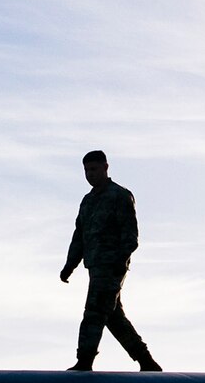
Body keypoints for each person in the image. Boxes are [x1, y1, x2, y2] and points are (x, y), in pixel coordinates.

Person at [59, 150, 160, 371]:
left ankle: (84, 360)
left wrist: (119, 262)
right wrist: (69, 265)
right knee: (113, 317)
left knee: (94, 310)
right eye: (86, 170)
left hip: (111, 267)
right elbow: (79, 236)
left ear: (106, 168)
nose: (90, 174)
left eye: (94, 169)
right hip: (94, 267)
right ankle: (147, 362)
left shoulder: (120, 196)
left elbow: (130, 236)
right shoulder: (88, 202)